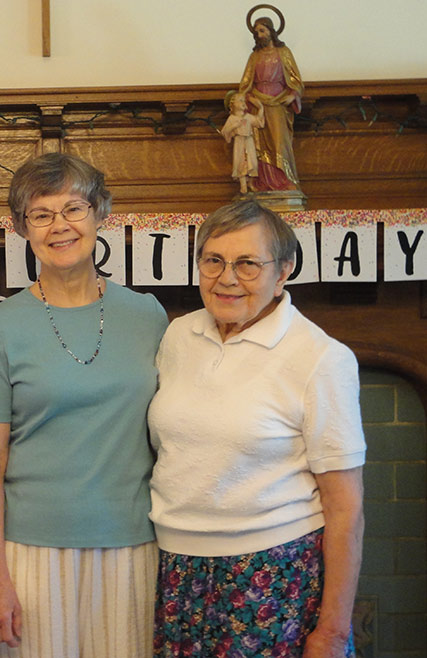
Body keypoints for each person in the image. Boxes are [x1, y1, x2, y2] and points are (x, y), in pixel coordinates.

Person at [0, 153, 168, 657]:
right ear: (22, 229)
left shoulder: (148, 316)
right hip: (31, 554)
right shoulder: (0, 327)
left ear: (100, 214)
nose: (60, 226)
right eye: (41, 214)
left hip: (133, 545)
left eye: (74, 209)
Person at [149, 200, 365, 657]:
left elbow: (346, 508)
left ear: (284, 269)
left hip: (273, 576)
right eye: (213, 260)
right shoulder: (177, 336)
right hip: (178, 571)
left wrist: (332, 631)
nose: (227, 278)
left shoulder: (321, 359)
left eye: (247, 263)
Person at [238, 16, 304, 192]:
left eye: (262, 30)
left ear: (271, 31)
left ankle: (285, 179)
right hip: (258, 103)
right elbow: (246, 84)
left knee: (279, 141)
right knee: (260, 144)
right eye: (257, 32)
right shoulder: (255, 56)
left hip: (278, 102)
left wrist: (293, 95)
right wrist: (249, 98)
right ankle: (264, 182)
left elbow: (296, 80)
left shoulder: (284, 53)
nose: (260, 35)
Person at [222, 92, 265, 195]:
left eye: (243, 100)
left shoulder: (248, 117)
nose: (243, 103)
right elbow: (224, 131)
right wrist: (235, 126)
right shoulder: (232, 119)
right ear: (233, 104)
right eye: (240, 100)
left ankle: (250, 183)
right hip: (239, 141)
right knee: (240, 163)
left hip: (249, 141)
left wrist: (260, 109)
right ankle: (243, 186)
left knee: (252, 162)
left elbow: (259, 123)